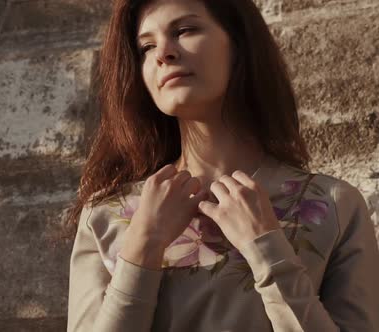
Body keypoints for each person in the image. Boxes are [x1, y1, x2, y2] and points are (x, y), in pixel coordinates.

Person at [65, 0, 379, 331]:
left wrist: (269, 251)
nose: (163, 54)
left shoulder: (334, 206)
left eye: (185, 30)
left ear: (239, 42)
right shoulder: (105, 216)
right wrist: (142, 248)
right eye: (146, 46)